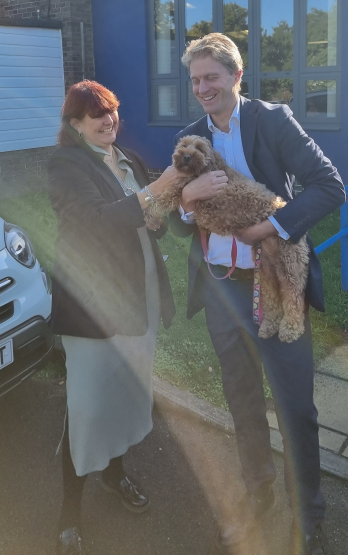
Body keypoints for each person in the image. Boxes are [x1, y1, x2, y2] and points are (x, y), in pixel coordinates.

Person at [169, 33, 345, 555]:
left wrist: (270, 226)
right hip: (224, 295)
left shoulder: (273, 120)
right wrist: (186, 203)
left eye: (212, 78)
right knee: (242, 404)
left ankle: (309, 516)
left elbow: (328, 185)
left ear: (236, 77)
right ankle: (259, 495)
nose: (203, 89)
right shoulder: (189, 137)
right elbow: (180, 225)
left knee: (295, 410)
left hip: (274, 286)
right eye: (196, 80)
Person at [48, 80, 183, 555]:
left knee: (125, 396)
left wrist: (157, 217)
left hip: (139, 299)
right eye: (97, 114)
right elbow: (95, 221)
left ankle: (115, 475)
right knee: (86, 409)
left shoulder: (129, 160)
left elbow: (151, 223)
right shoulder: (65, 164)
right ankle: (69, 512)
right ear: (75, 123)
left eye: (112, 110)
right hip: (94, 308)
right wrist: (159, 191)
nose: (109, 120)